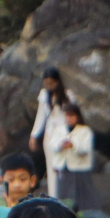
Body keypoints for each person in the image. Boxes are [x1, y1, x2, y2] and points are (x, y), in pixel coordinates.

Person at [29, 67, 76, 198]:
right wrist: (34, 135)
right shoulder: (44, 96)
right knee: (52, 167)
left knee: (65, 166)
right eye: (46, 83)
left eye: (51, 83)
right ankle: (54, 196)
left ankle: (68, 197)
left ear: (57, 82)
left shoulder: (68, 96)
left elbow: (72, 117)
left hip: (64, 134)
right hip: (50, 135)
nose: (49, 86)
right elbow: (40, 117)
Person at [53, 103, 103, 212]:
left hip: (80, 169)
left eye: (72, 115)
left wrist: (73, 145)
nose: (69, 118)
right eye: (67, 115)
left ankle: (88, 213)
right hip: (64, 167)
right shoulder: (59, 130)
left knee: (84, 194)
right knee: (64, 195)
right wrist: (61, 145)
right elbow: (52, 145)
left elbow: (85, 148)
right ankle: (65, 214)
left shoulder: (85, 131)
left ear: (77, 116)